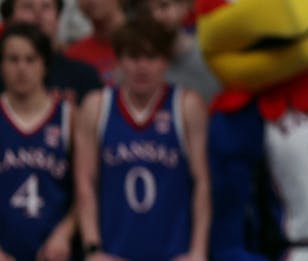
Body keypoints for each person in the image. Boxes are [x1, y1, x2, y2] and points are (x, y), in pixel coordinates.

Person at [74, 18, 210, 261]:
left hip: (174, 252)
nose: (142, 67)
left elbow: (201, 181)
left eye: (151, 57)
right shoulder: (97, 105)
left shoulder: (187, 105)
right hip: (114, 252)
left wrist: (198, 251)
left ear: (165, 62)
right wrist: (92, 248)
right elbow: (85, 181)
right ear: (119, 60)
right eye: (133, 57)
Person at [0, 23, 75, 261]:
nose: (21, 69)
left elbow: (88, 189)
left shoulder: (70, 116)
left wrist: (64, 233)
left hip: (55, 252)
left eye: (30, 59)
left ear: (45, 64)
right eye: (13, 59)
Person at [0, 0, 101, 104]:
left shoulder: (83, 76)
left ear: (58, 20)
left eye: (46, 7)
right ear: (8, 22)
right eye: (28, 6)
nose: (38, 13)